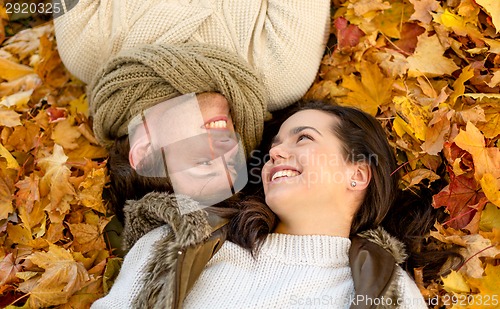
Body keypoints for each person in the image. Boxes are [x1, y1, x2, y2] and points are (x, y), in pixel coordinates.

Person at [97, 100, 460, 308]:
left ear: (358, 175)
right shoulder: (178, 242)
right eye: (274, 147)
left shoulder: (387, 292)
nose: (276, 152)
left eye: (303, 138)